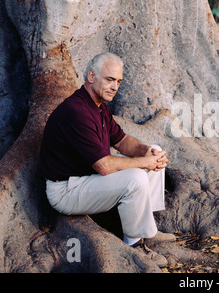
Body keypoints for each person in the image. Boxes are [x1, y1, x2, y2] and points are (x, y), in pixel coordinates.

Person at [40, 52, 172, 266]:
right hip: (67, 191)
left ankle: (147, 229)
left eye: (118, 81)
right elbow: (104, 165)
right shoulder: (77, 111)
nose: (115, 86)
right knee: (136, 177)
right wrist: (143, 163)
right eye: (109, 79)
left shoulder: (99, 107)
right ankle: (135, 245)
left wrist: (147, 151)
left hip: (87, 180)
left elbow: (122, 141)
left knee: (154, 151)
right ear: (91, 76)